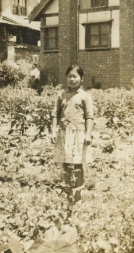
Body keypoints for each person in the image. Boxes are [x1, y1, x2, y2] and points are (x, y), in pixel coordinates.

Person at [51, 64, 94, 203]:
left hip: (79, 134)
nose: (72, 79)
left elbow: (89, 117)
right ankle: (68, 191)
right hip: (64, 133)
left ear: (81, 79)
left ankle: (78, 194)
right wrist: (53, 131)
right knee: (66, 162)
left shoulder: (85, 96)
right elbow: (55, 114)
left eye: (75, 76)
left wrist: (88, 134)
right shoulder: (61, 95)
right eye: (69, 76)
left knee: (77, 164)